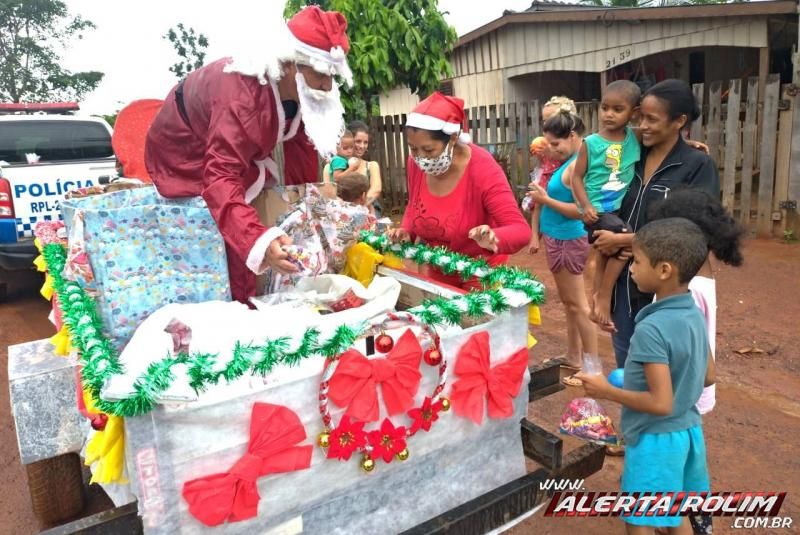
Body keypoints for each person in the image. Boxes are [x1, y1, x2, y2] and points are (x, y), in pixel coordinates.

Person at [145, 6, 352, 303]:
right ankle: (243, 309)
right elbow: (220, 178)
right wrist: (258, 238)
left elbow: (301, 156)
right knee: (233, 240)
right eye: (321, 74)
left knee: (273, 217)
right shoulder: (241, 96)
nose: (327, 86)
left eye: (332, 76)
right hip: (185, 155)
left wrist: (301, 215)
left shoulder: (304, 91)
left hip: (234, 150)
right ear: (291, 63)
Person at [577, 217, 716, 534]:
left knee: (638, 518)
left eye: (637, 262)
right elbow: (707, 375)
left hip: (656, 439)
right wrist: (636, 378)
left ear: (664, 270)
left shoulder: (651, 328)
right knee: (674, 510)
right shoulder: (693, 312)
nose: (632, 269)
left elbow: (661, 403)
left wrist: (603, 389)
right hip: (688, 431)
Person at [591, 79, 720, 372]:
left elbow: (696, 232)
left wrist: (623, 241)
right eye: (640, 118)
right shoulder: (630, 157)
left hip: (667, 287)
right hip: (625, 280)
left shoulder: (697, 166)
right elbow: (595, 144)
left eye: (652, 119)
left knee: (667, 372)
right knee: (628, 367)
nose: (644, 126)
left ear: (680, 121)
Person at [648, 189, 744, 535]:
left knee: (672, 463)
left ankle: (682, 522)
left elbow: (678, 347)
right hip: (691, 388)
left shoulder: (685, 290)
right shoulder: (703, 277)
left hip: (679, 390)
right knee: (690, 458)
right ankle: (697, 520)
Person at [388, 92, 530, 289]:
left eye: (428, 150)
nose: (420, 158)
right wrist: (407, 231)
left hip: (480, 271)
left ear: (453, 138)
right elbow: (415, 206)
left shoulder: (483, 170)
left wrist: (493, 238)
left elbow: (521, 231)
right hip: (440, 266)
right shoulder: (416, 164)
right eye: (413, 149)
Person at [527, 111, 597, 385]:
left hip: (569, 239)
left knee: (579, 305)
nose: (551, 150)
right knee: (570, 305)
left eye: (556, 144)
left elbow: (583, 211)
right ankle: (574, 356)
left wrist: (546, 199)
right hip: (557, 238)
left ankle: (591, 367)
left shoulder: (577, 165)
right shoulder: (566, 162)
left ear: (573, 136)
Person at [570, 80, 641, 327]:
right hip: (597, 209)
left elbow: (668, 140)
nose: (608, 114)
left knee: (603, 253)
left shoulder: (635, 137)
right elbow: (576, 177)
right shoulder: (591, 143)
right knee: (625, 241)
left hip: (619, 207)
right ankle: (604, 297)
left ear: (633, 113)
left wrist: (690, 145)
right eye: (605, 107)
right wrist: (586, 206)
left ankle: (598, 296)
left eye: (617, 109)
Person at [527, 95, 577, 254]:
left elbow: (567, 155)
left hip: (572, 226)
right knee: (538, 197)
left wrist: (550, 150)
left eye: (551, 118)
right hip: (550, 172)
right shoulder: (547, 140)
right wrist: (541, 153)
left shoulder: (572, 144)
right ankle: (535, 234)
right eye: (544, 120)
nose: (547, 123)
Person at [349, 120, 383, 216]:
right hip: (343, 211)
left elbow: (376, 189)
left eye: (365, 142)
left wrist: (360, 208)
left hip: (368, 209)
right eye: (358, 141)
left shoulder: (371, 165)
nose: (362, 146)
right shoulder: (334, 167)